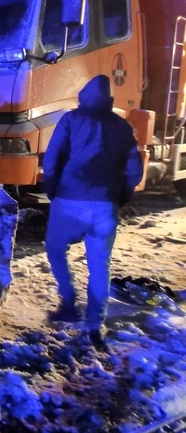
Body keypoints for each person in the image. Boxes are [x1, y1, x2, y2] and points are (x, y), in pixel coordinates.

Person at [43, 74, 144, 347]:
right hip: (105, 207)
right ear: (109, 100)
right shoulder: (122, 127)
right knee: (100, 266)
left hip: (69, 201)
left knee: (55, 249)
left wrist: (54, 190)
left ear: (83, 97)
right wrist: (119, 197)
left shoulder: (71, 120)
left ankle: (68, 302)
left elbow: (51, 161)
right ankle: (94, 326)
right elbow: (134, 170)